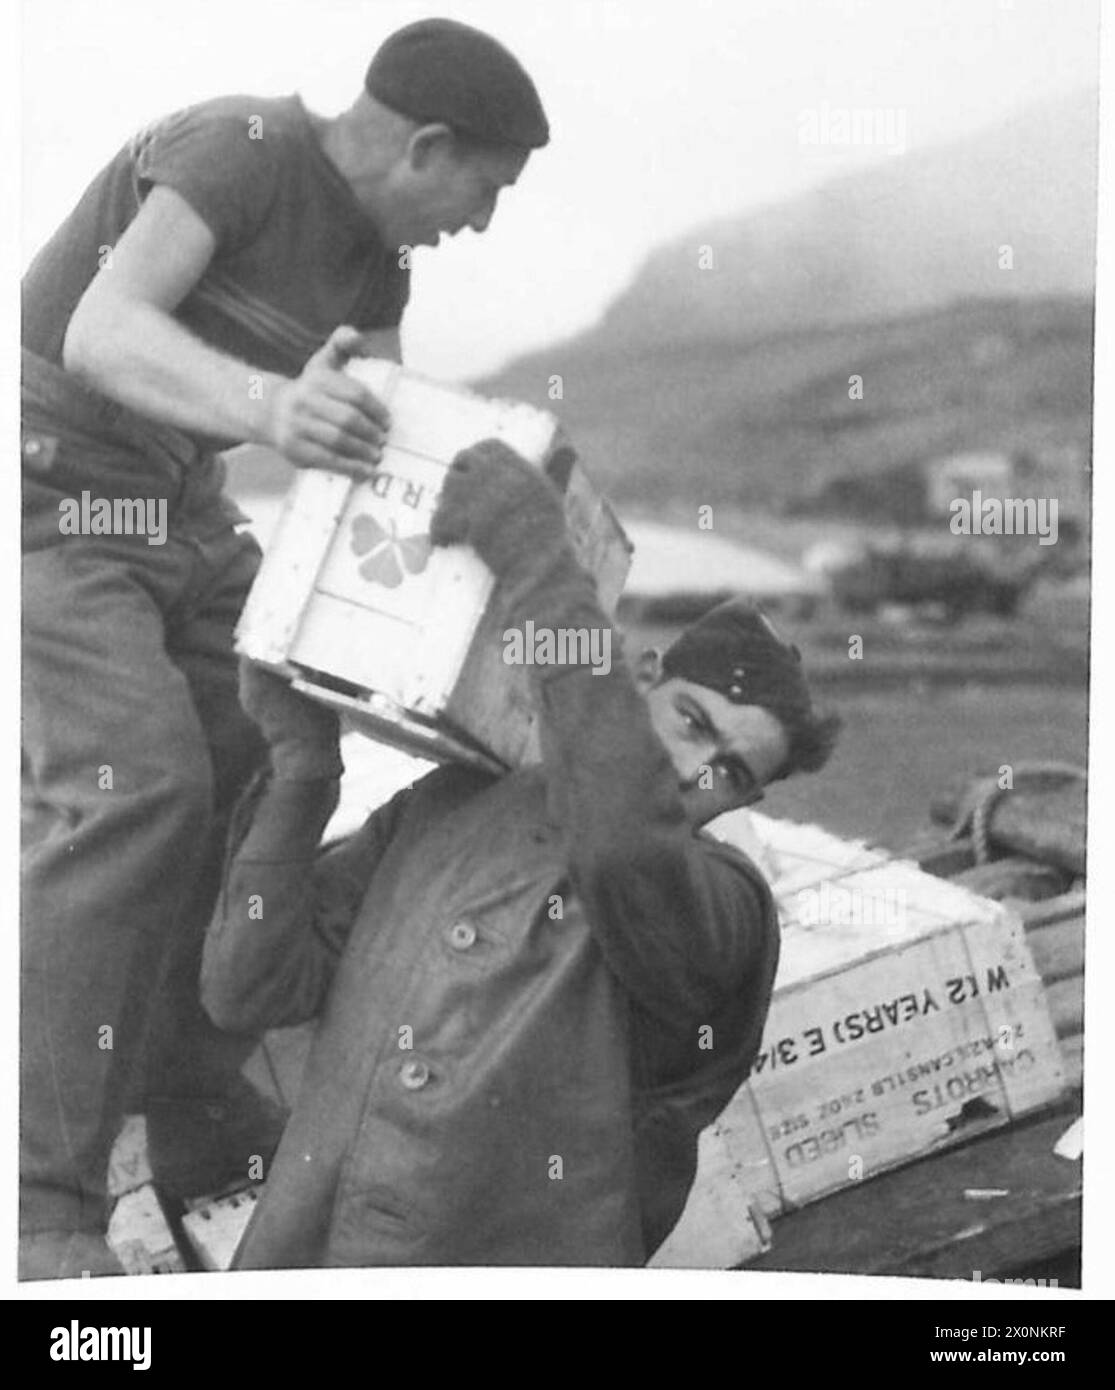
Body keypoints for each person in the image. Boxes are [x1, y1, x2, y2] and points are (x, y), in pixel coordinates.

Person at [20, 19, 550, 1280]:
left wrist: (499, 598)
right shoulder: (240, 144)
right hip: (48, 493)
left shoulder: (379, 268)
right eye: (486, 188)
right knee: (137, 787)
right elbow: (101, 332)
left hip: (184, 506)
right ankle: (38, 1198)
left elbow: (394, 461)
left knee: (276, 751)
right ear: (428, 144)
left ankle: (194, 1098)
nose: (479, 224)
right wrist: (272, 408)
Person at [201, 440, 841, 1269]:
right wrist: (303, 771)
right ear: (643, 679)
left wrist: (536, 558)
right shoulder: (446, 805)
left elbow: (620, 839)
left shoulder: (723, 912)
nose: (693, 770)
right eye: (690, 723)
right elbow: (244, 987)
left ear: (746, 801)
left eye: (729, 770)